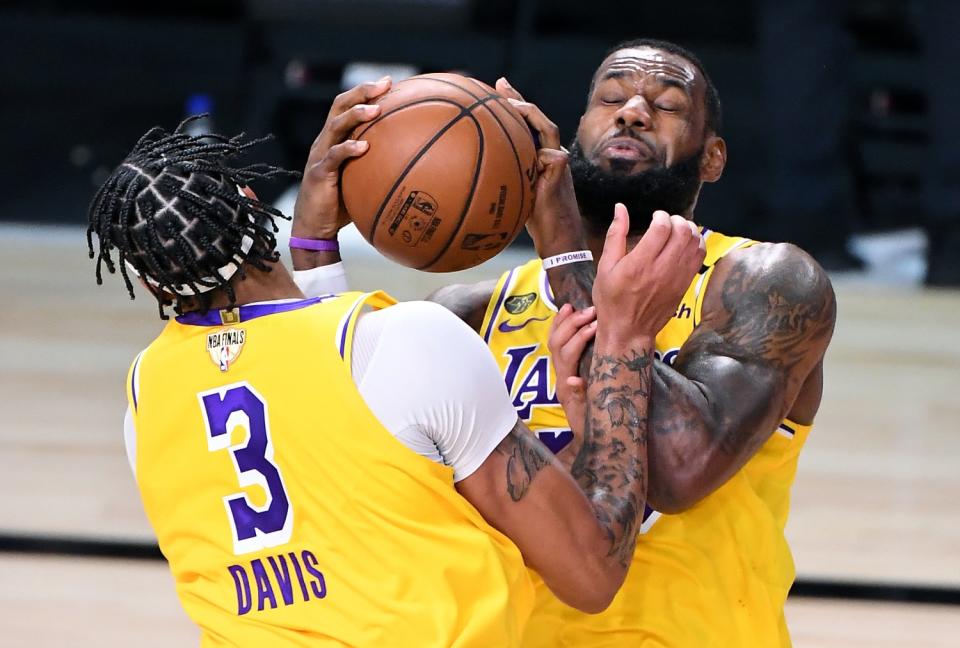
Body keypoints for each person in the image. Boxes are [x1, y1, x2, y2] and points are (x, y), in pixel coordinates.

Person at [86, 81, 706, 646]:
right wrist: (623, 344)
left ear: (147, 283)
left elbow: (324, 422)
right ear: (252, 201)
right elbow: (590, 573)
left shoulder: (144, 407)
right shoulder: (409, 342)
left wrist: (315, 249)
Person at [303, 40, 836, 645]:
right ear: (577, 127)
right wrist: (315, 246)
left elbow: (678, 474)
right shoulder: (473, 311)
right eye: (610, 98)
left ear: (713, 158)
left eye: (665, 106)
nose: (632, 111)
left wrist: (564, 247)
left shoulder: (761, 280)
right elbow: (339, 456)